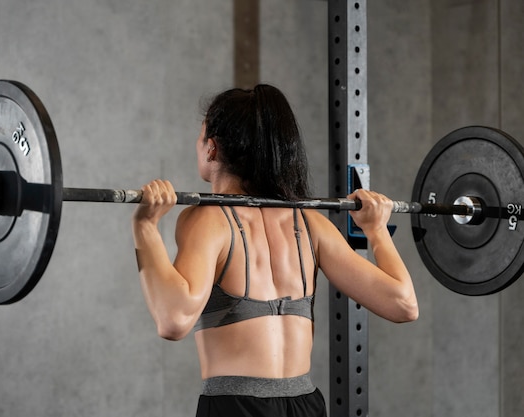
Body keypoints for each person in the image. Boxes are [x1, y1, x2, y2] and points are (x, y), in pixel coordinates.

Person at [131, 84, 418, 417]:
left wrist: (145, 227)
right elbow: (404, 304)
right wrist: (376, 229)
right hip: (307, 405)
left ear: (212, 149)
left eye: (201, 137)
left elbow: (173, 320)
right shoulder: (311, 224)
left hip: (236, 408)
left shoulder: (208, 220)